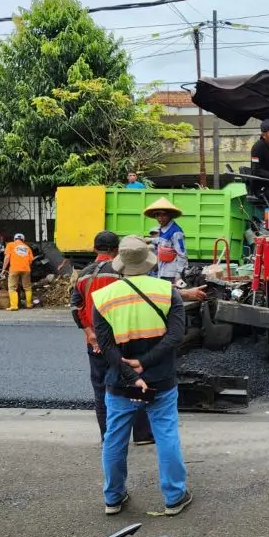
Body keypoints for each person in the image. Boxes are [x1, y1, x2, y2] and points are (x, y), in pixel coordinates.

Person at [92, 235, 192, 516]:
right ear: (149, 263)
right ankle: (174, 497)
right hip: (160, 380)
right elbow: (175, 337)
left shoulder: (103, 298)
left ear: (120, 263)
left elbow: (106, 346)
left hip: (120, 383)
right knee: (167, 435)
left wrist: (128, 371)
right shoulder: (166, 291)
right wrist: (144, 363)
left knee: (114, 438)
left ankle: (113, 497)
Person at [70, 230, 154, 447]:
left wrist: (89, 334)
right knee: (136, 383)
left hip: (96, 342)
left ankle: (108, 437)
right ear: (117, 250)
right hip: (124, 339)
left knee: (100, 389)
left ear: (94, 248)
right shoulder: (123, 272)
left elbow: (75, 306)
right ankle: (143, 434)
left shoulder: (84, 274)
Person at [143, 198, 187, 283]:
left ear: (170, 215)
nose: (160, 218)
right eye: (157, 215)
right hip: (162, 270)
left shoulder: (176, 232)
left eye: (163, 215)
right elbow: (163, 241)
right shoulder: (163, 229)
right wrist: (150, 240)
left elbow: (182, 254)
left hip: (171, 274)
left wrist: (178, 274)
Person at [3, 233, 34, 311]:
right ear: (23, 240)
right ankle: (29, 304)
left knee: (12, 288)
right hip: (26, 269)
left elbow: (7, 257)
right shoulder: (27, 247)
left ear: (14, 239)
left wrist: (4, 269)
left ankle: (14, 306)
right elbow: (31, 260)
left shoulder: (10, 245)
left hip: (14, 269)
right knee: (27, 287)